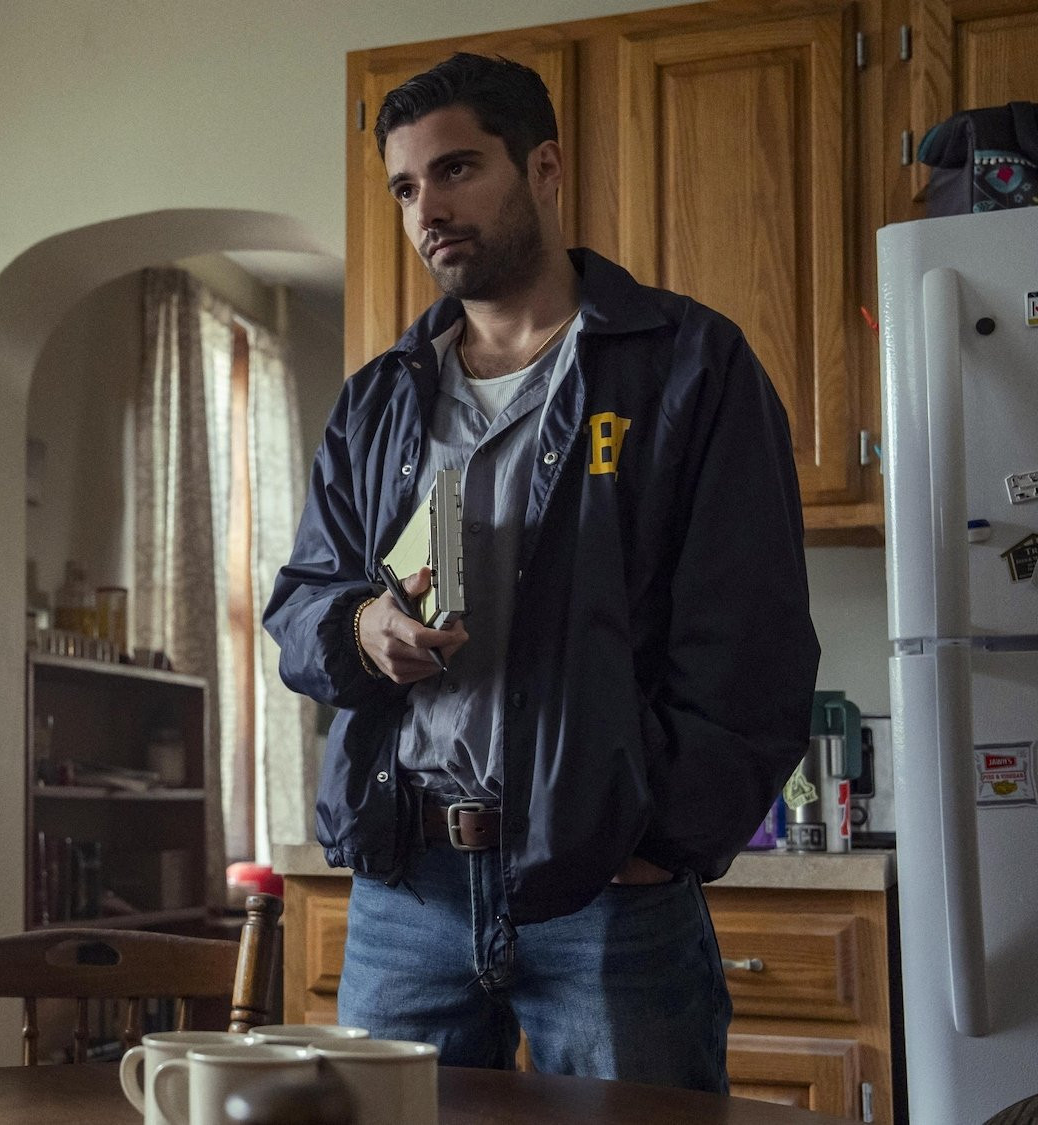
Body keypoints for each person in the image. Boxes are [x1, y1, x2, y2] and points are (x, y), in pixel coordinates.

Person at [263, 53, 817, 1091]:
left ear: (545, 168)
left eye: (456, 169)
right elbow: (300, 605)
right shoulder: (377, 401)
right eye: (404, 187)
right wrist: (360, 630)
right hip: (403, 894)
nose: (427, 209)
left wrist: (656, 844)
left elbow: (753, 645)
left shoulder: (690, 365)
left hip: (608, 894)